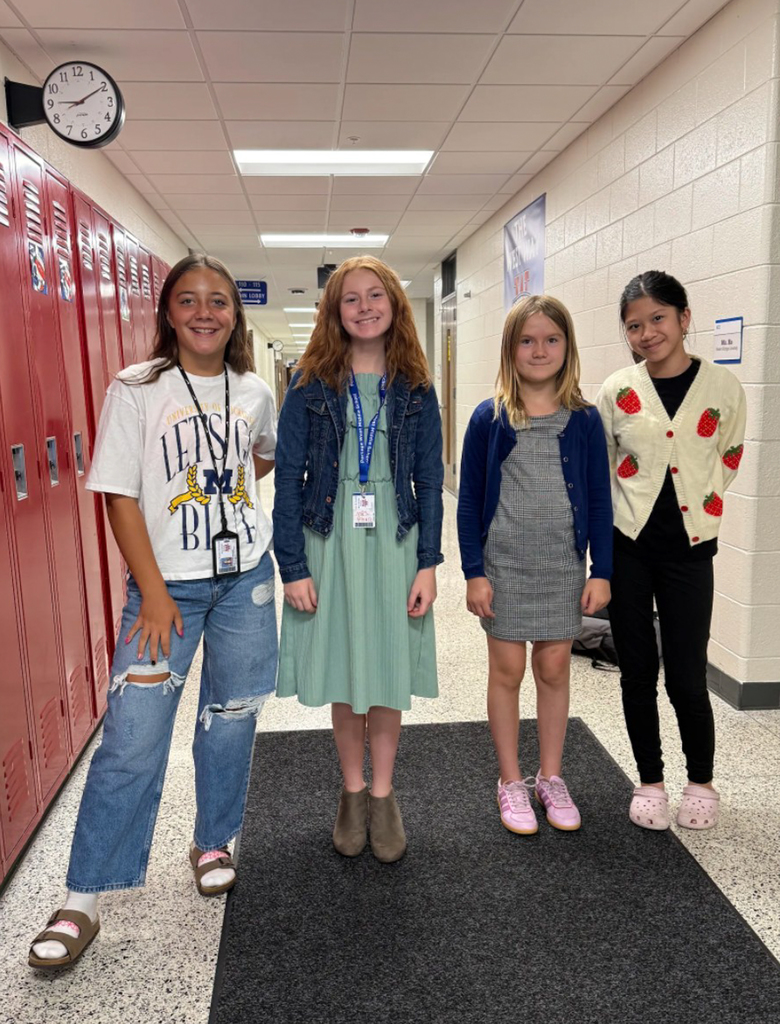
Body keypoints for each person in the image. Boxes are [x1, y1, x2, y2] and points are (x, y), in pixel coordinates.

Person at [29, 254, 278, 968]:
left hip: (245, 583)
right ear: (169, 313)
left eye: (220, 302)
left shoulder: (255, 389)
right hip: (164, 590)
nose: (206, 313)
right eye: (191, 301)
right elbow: (119, 494)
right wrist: (158, 591)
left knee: (230, 721)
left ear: (235, 316)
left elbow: (257, 456)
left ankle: (211, 841)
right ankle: (83, 899)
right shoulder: (137, 388)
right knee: (133, 739)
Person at [273, 255, 443, 863]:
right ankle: (351, 792)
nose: (365, 306)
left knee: (389, 667)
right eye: (352, 298)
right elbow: (289, 476)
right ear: (334, 311)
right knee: (346, 666)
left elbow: (429, 475)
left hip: (395, 537)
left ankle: (384, 793)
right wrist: (292, 565)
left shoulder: (417, 388)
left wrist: (428, 562)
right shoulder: (309, 382)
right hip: (330, 534)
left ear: (394, 305)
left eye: (377, 295)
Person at [596, 271, 746, 832]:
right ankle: (650, 780)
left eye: (658, 318)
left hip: (690, 551)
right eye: (634, 325)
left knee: (685, 673)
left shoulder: (722, 388)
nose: (647, 332)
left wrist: (700, 508)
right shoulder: (618, 390)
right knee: (636, 671)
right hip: (627, 546)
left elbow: (727, 457)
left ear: (684, 318)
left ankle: (701, 780)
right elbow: (605, 463)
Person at [457, 295, 612, 835]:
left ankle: (551, 776)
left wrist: (602, 570)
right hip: (503, 566)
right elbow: (469, 500)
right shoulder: (490, 418)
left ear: (567, 347)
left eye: (551, 339)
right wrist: (473, 572)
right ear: (510, 349)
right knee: (508, 672)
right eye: (527, 340)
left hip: (562, 567)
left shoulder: (585, 420)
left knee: (553, 669)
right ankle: (510, 780)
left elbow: (599, 497)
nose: (539, 349)